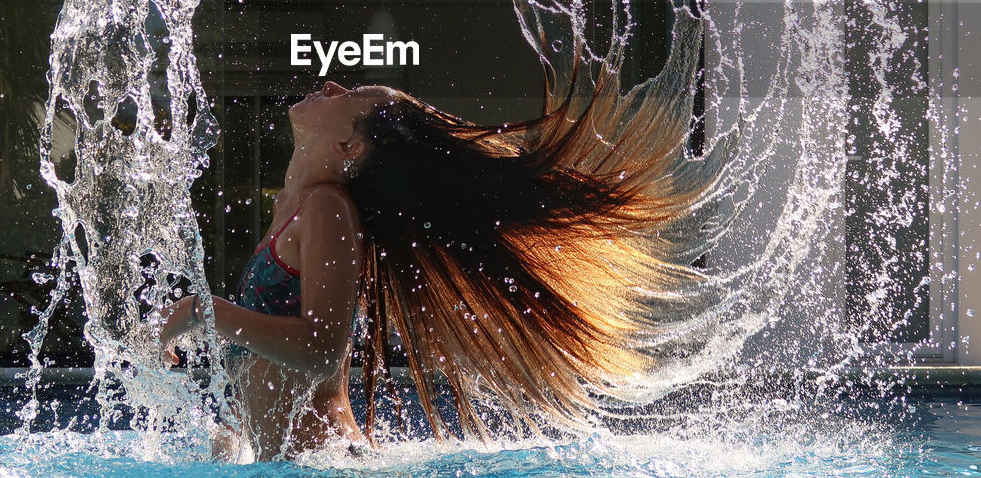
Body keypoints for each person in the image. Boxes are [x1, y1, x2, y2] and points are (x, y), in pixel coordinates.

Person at [157, 43, 724, 459]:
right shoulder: (295, 209)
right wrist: (227, 440)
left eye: (350, 96)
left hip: (324, 464)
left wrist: (199, 313)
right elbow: (266, 360)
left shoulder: (329, 209)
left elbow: (321, 350)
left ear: (346, 147)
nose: (333, 86)